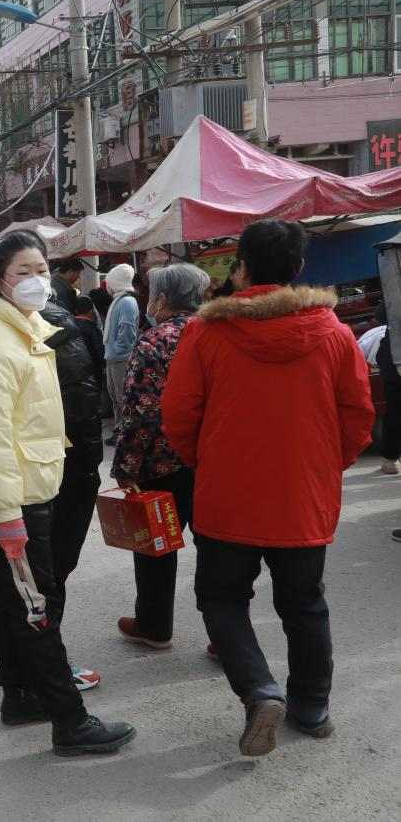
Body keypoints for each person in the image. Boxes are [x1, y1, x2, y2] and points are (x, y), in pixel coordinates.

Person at [163, 220, 373, 756]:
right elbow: (357, 416)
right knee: (304, 605)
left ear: (241, 269)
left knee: (222, 597)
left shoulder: (205, 332)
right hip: (303, 495)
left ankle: (258, 689)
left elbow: (179, 415)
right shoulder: (334, 334)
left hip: (227, 492)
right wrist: (327, 467)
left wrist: (205, 461)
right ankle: (311, 707)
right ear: (300, 269)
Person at [0, 229, 136, 755]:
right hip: (11, 500)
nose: (36, 281)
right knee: (36, 606)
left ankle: (20, 696)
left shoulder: (24, 329)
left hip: (29, 489)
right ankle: (69, 723)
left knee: (19, 599)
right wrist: (8, 517)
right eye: (22, 272)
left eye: (41, 270)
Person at [112, 263, 211, 650]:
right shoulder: (219, 335)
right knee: (217, 549)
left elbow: (140, 411)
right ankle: (227, 634)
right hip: (213, 462)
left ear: (163, 298)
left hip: (162, 464)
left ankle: (154, 627)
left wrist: (125, 466)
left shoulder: (155, 341)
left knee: (156, 548)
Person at [38, 297, 105, 692]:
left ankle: (22, 676)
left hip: (18, 477)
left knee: (23, 582)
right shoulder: (56, 321)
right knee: (49, 576)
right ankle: (49, 674)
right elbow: (82, 403)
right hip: (56, 472)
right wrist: (89, 468)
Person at [102, 263, 140, 445]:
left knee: (122, 397)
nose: (107, 286)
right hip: (113, 357)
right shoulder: (120, 300)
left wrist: (118, 351)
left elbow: (127, 330)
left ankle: (124, 433)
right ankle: (119, 429)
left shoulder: (126, 302)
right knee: (115, 396)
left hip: (120, 358)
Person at [372, 302, 401, 475]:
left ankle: (390, 459)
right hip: (394, 361)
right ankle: (390, 458)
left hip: (394, 361)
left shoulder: (393, 289)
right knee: (394, 413)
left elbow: (380, 315)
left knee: (394, 412)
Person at [72, 297, 106, 387]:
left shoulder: (69, 326)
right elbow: (99, 350)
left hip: (74, 369)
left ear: (76, 310)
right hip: (92, 370)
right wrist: (104, 366)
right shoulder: (93, 329)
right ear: (91, 312)